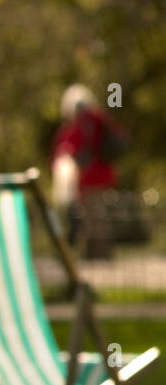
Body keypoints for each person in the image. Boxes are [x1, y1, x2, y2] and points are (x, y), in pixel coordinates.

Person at [51, 84, 124, 260]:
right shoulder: (99, 119)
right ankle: (97, 253)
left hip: (93, 177)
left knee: (95, 217)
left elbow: (70, 147)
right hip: (98, 176)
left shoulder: (87, 122)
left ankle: (98, 254)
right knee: (95, 216)